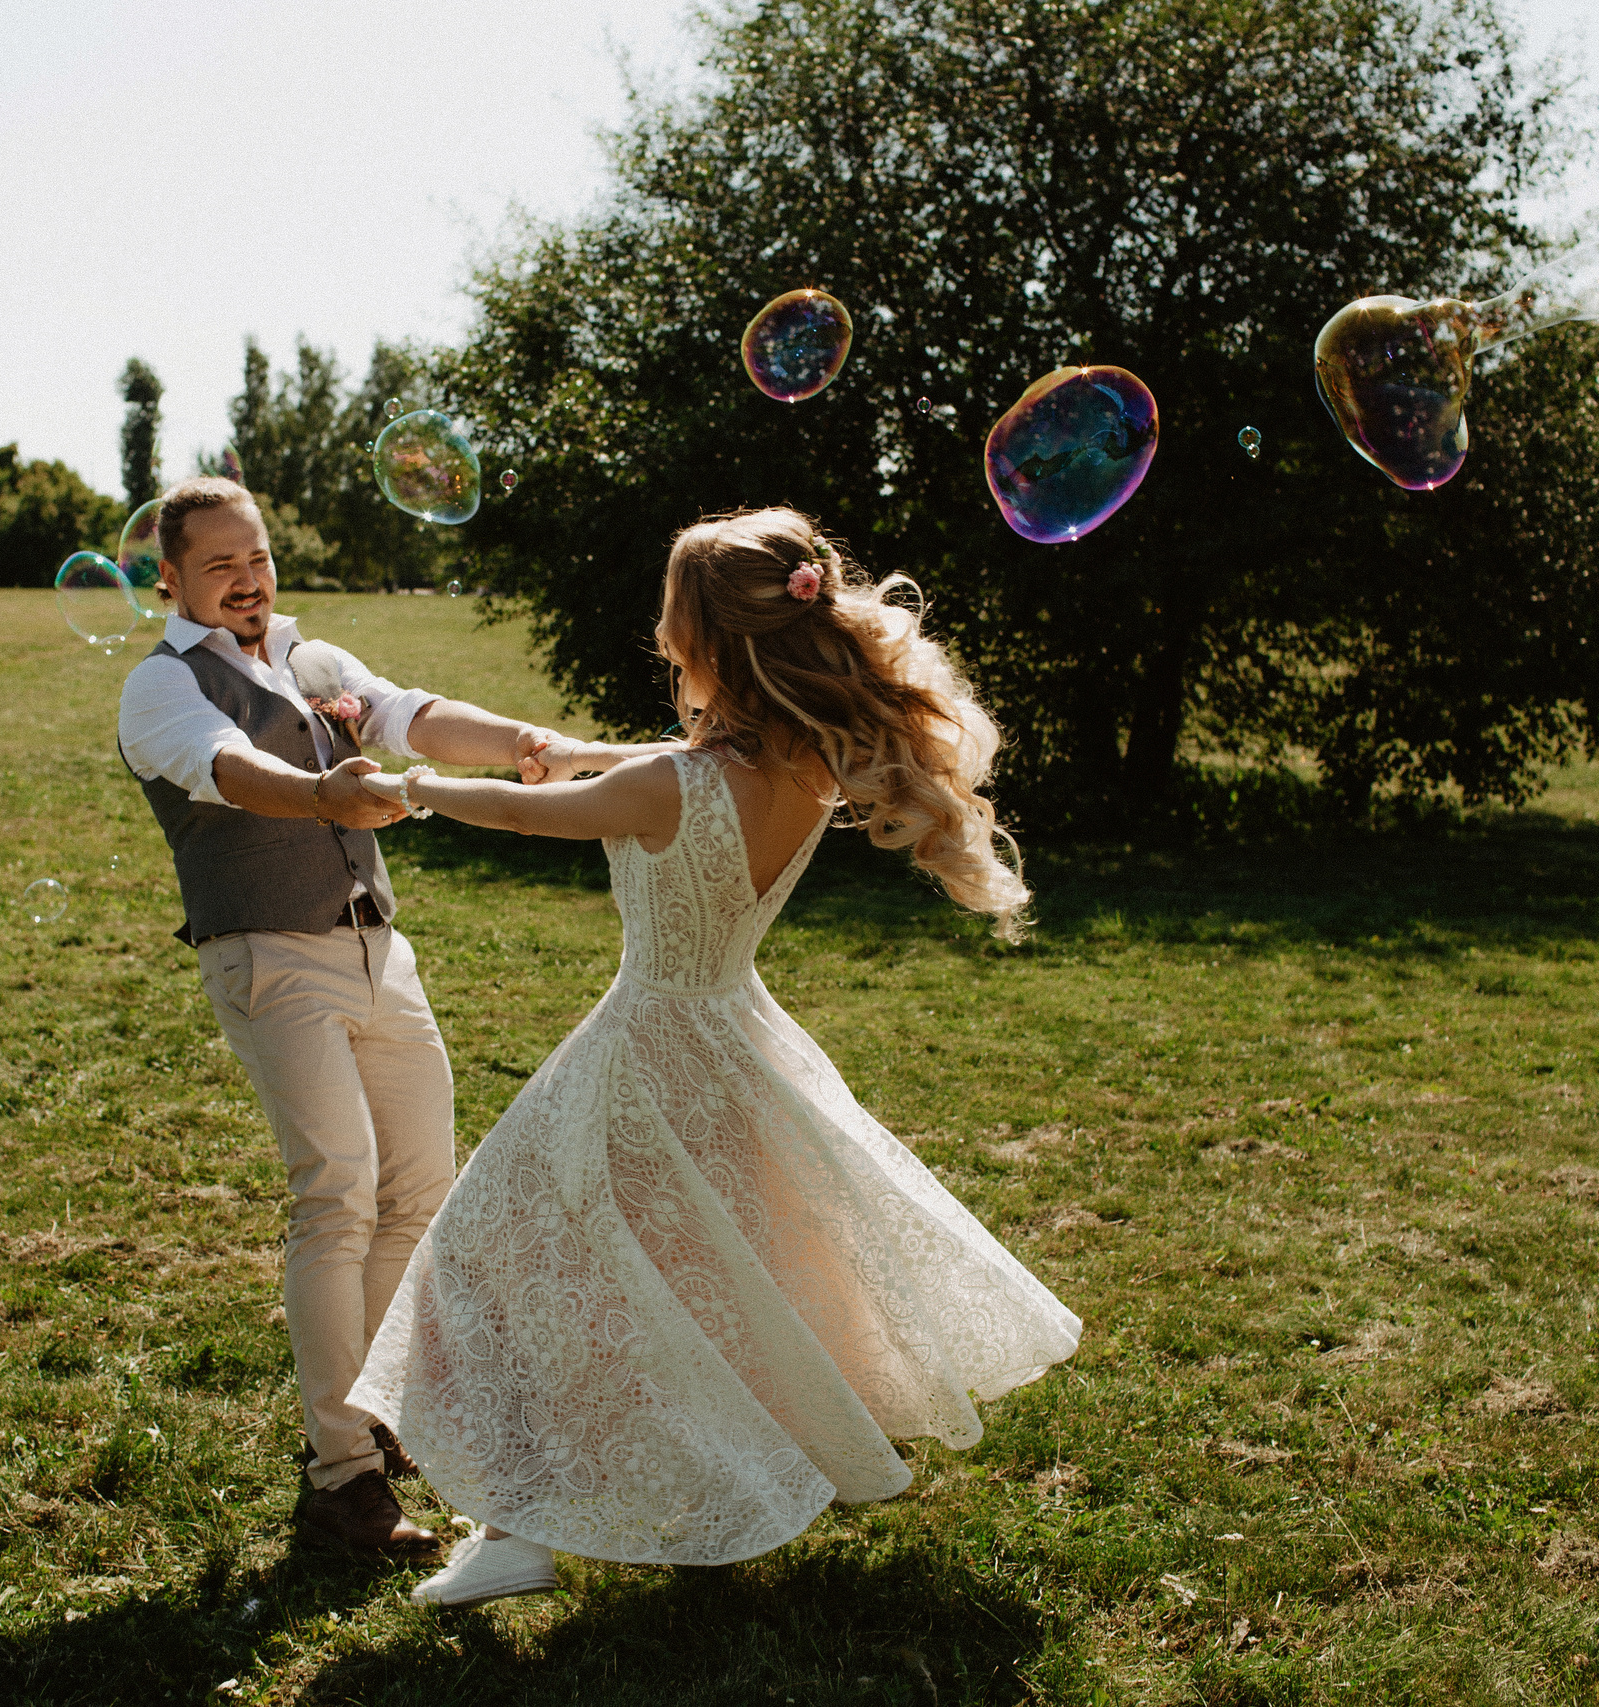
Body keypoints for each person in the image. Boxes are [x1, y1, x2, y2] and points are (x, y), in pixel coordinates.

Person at [346, 507, 1083, 1608]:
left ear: (706, 645)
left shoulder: (672, 788)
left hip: (644, 1053)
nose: (657, 632)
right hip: (729, 1039)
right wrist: (560, 754)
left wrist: (409, 787)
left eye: (668, 615)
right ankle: (577, 1507)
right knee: (697, 1276)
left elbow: (527, 812)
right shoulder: (800, 767)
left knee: (489, 1251)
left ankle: (523, 1526)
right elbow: (627, 768)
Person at [117, 475, 565, 1558]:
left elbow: (412, 712)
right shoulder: (158, 686)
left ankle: (376, 1409)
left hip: (378, 952)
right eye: (219, 565)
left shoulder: (315, 664)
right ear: (170, 580)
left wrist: (516, 738)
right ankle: (340, 1479)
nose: (247, 580)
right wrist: (323, 796)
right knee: (337, 1197)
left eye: (257, 557)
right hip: (268, 956)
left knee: (417, 1191)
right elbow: (228, 769)